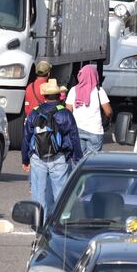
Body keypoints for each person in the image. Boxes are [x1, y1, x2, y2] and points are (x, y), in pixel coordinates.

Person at [22, 78, 82, 216]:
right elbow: (74, 137)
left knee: (38, 194)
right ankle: (60, 222)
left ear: (44, 96)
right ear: (59, 95)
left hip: (37, 157)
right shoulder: (65, 113)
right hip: (59, 157)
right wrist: (77, 158)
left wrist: (25, 159)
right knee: (60, 194)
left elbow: (26, 137)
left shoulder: (34, 113)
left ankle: (39, 222)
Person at [66, 65, 112, 156]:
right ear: (95, 76)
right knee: (92, 160)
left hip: (77, 129)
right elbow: (108, 111)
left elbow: (68, 111)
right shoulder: (99, 91)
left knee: (79, 160)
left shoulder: (73, 90)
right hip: (95, 130)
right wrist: (108, 119)